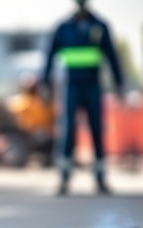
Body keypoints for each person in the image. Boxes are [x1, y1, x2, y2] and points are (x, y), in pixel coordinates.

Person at [42, 0, 124, 195]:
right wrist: (45, 82)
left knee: (97, 128)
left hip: (93, 85)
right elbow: (49, 56)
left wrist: (119, 83)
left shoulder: (100, 26)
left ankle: (100, 177)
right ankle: (64, 177)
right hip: (71, 85)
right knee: (68, 130)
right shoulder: (63, 28)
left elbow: (112, 56)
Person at [5, 72, 56, 167]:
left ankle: (49, 158)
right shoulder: (21, 100)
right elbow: (12, 110)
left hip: (44, 131)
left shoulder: (42, 101)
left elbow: (52, 115)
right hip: (25, 133)